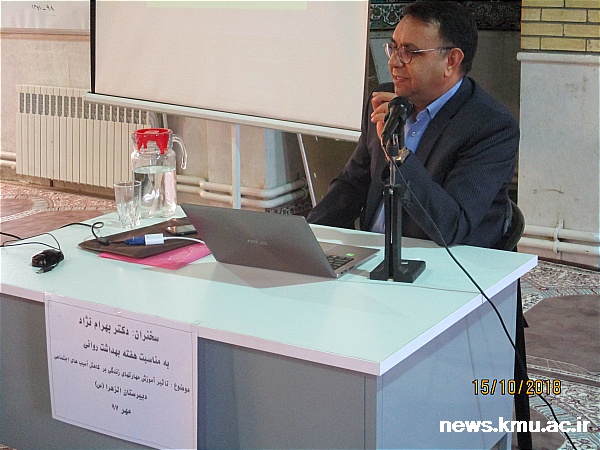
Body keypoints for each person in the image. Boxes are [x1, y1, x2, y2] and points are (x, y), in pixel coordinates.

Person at [307, 1, 519, 249]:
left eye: (410, 52)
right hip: (374, 254)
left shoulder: (491, 127)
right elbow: (351, 186)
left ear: (451, 60)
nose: (394, 62)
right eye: (394, 48)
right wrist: (305, 237)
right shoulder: (383, 101)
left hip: (443, 262)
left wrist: (398, 155)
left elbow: (451, 226)